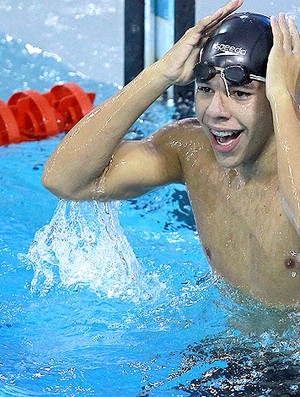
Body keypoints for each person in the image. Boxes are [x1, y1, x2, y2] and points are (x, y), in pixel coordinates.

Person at [42, 0, 300, 307]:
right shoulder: (191, 149)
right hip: (226, 344)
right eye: (205, 89)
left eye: (241, 94)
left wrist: (284, 97)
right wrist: (160, 73)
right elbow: (66, 181)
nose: (215, 112)